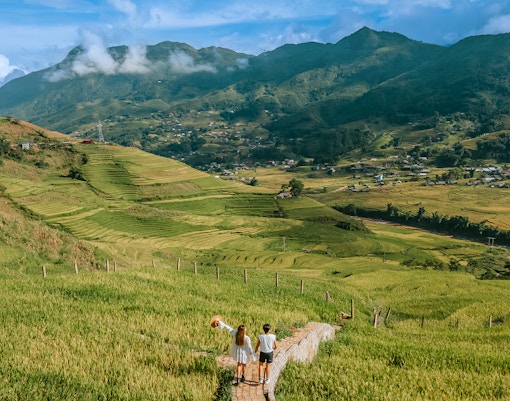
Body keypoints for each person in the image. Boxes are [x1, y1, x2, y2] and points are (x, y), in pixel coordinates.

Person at [212, 318, 257, 385]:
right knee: (244, 365)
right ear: (244, 331)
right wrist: (253, 354)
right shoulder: (247, 338)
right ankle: (243, 376)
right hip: (244, 353)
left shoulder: (236, 334)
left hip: (238, 353)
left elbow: (228, 328)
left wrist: (220, 323)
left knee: (239, 365)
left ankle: (238, 380)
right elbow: (250, 347)